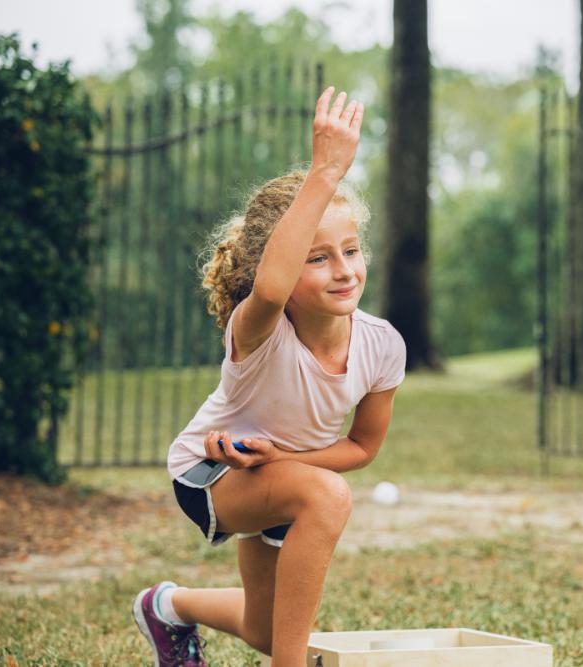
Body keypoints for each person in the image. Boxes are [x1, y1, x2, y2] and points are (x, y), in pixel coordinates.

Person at [131, 86, 406, 667]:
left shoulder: (383, 345)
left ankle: (167, 607)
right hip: (210, 473)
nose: (343, 271)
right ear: (277, 264)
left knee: (265, 626)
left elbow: (362, 446)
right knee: (327, 500)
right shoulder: (258, 330)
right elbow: (274, 288)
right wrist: (325, 173)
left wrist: (285, 460)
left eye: (351, 251)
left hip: (284, 476)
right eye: (317, 257)